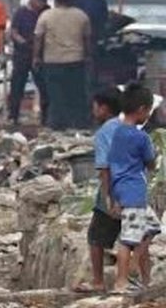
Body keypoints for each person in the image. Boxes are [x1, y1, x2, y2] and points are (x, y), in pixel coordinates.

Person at [107, 84, 159, 294]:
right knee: (128, 239)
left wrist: (113, 196)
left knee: (151, 228)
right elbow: (151, 162)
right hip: (134, 192)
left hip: (121, 189)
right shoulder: (141, 137)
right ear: (141, 109)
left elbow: (110, 164)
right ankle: (121, 280)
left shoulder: (117, 133)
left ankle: (135, 265)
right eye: (148, 111)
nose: (147, 115)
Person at [74, 88, 124, 294]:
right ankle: (128, 282)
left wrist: (109, 197)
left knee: (96, 237)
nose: (93, 111)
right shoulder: (127, 127)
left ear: (104, 108)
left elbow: (105, 168)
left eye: (95, 107)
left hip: (113, 189)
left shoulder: (105, 132)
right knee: (131, 238)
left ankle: (98, 282)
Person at [34, 0, 93, 130]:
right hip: (76, 61)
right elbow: (87, 39)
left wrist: (36, 57)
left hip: (52, 62)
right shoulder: (81, 15)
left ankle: (56, 125)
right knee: (76, 94)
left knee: (55, 96)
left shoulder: (46, 15)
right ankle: (79, 124)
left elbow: (38, 39)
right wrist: (88, 56)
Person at [8, 0, 50, 126]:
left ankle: (46, 117)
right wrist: (23, 42)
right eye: (40, 0)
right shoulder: (21, 12)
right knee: (17, 86)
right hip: (22, 54)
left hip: (40, 55)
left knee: (44, 86)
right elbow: (13, 32)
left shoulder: (46, 11)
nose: (42, 3)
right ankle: (13, 115)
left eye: (44, 1)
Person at [74, 0, 111, 85]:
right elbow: (105, 23)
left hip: (74, 41)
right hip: (92, 42)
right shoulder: (99, 3)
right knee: (91, 72)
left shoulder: (75, 0)